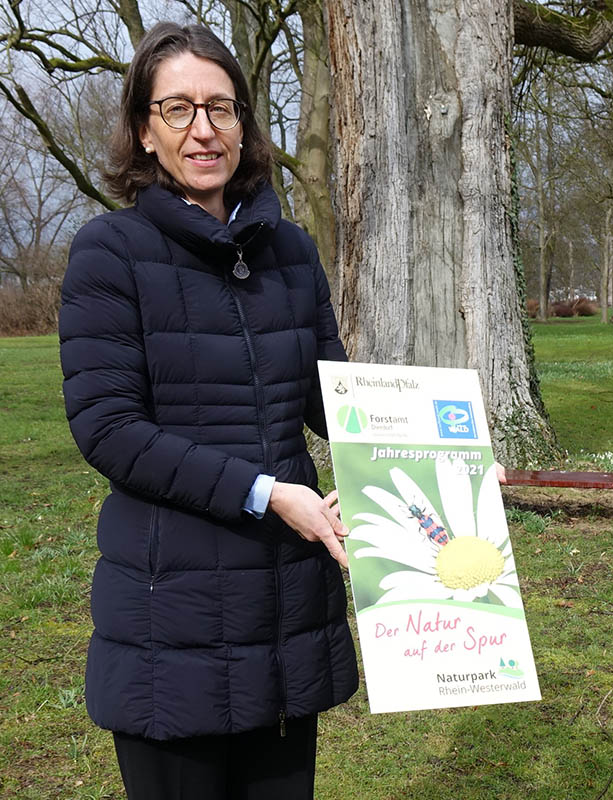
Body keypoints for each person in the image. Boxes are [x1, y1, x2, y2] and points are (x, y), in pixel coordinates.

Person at [59, 22, 357, 799]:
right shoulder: (110, 252)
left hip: (285, 611)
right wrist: (265, 493)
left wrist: (444, 461)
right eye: (179, 109)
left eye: (222, 108)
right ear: (143, 131)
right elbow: (109, 429)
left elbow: (339, 403)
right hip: (174, 620)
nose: (204, 129)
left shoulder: (291, 251)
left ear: (245, 127)